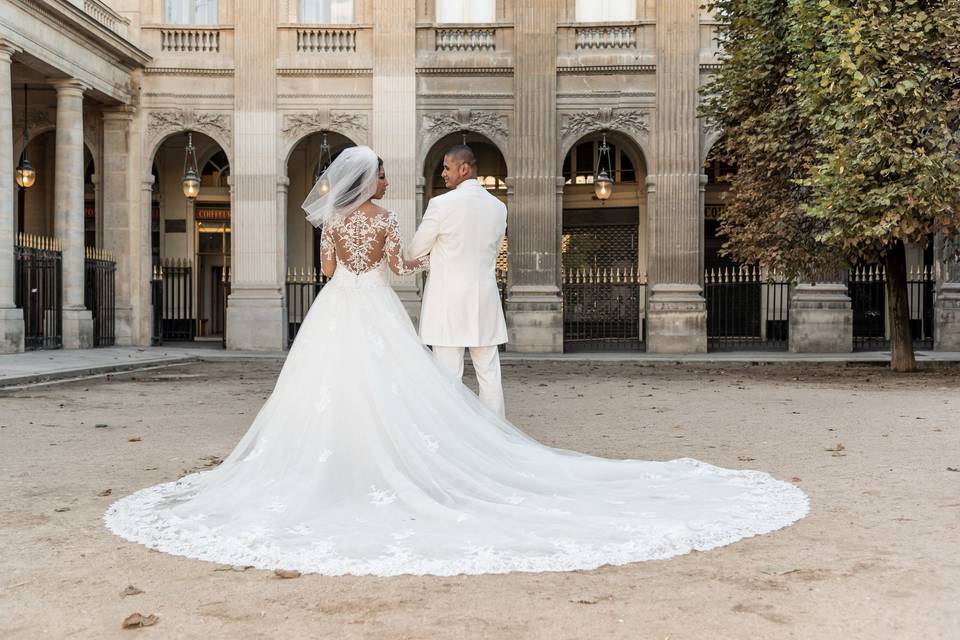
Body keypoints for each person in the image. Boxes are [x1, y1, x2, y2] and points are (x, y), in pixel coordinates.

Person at [105, 146, 808, 577]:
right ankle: (490, 444)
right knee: (484, 373)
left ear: (456, 171)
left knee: (411, 383)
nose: (436, 171)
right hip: (472, 300)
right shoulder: (486, 211)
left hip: (363, 307)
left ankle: (433, 452)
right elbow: (399, 257)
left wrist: (398, 259)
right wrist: (398, 259)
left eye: (445, 166)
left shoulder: (405, 211)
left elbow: (349, 267)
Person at [409, 145, 508, 416]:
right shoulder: (499, 208)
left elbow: (415, 251)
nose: (442, 173)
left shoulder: (441, 205)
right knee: (489, 373)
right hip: (484, 299)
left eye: (446, 167)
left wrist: (437, 257)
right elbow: (493, 251)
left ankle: (453, 434)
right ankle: (496, 434)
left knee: (448, 374)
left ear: (464, 168)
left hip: (448, 301)